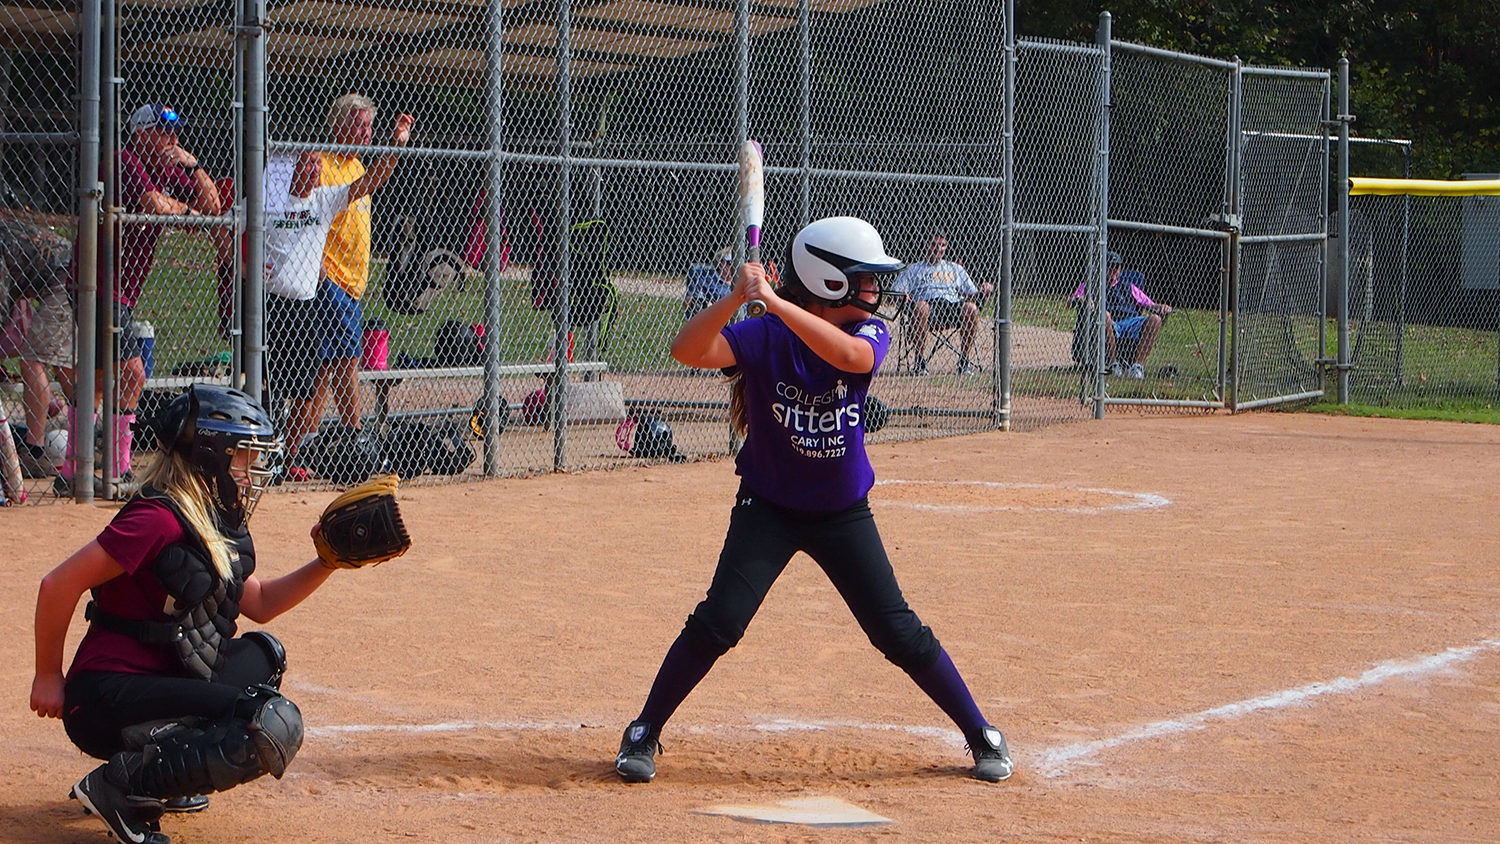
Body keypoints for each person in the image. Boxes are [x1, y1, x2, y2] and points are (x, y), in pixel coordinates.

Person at [613, 216, 1014, 785]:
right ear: (829, 284)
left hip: (841, 512)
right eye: (864, 281)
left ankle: (981, 733)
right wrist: (737, 298)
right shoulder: (763, 336)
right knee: (719, 622)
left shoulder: (867, 334)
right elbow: (687, 350)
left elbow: (852, 360)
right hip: (769, 508)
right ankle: (643, 731)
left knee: (897, 632)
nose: (876, 293)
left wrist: (774, 303)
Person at [29, 385, 344, 844]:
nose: (253, 470)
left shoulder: (209, 517)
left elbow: (260, 604)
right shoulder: (157, 517)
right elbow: (57, 585)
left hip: (158, 680)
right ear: (210, 454)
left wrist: (328, 561)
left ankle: (163, 773)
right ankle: (122, 786)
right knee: (268, 721)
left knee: (262, 659)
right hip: (104, 694)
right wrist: (47, 675)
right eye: (243, 456)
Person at [58, 103, 225, 497]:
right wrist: (184, 211)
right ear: (141, 133)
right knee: (132, 372)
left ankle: (72, 471)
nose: (172, 140)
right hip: (96, 284)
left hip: (122, 291)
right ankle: (115, 469)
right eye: (163, 133)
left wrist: (191, 165)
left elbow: (214, 205)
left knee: (100, 380)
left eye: (175, 133)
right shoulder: (123, 160)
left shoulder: (168, 168)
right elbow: (152, 203)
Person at [265, 113, 415, 480]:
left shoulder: (323, 200)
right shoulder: (273, 201)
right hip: (270, 304)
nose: (315, 169)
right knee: (268, 388)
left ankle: (286, 455)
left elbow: (370, 182)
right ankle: (267, 454)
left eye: (317, 163)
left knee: (306, 386)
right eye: (308, 163)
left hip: (304, 304)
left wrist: (397, 145)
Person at [308, 93, 382, 439]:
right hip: (331, 277)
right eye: (358, 125)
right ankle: (354, 431)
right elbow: (308, 216)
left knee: (326, 367)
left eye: (369, 126)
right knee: (347, 358)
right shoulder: (322, 163)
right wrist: (318, 265)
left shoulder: (358, 167)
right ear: (337, 125)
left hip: (354, 283)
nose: (366, 133)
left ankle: (302, 441)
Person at [891, 233, 993, 375]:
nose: (938, 249)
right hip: (927, 306)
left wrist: (984, 289)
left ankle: (964, 361)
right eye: (933, 244)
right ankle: (920, 362)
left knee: (971, 308)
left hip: (951, 305)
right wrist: (903, 294)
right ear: (926, 246)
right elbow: (896, 292)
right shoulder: (914, 269)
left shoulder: (955, 268)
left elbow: (972, 293)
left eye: (942, 245)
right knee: (921, 307)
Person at [1069, 251, 1172, 379]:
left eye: (1116, 266)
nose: (1113, 269)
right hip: (1108, 322)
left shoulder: (1129, 287)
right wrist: (1083, 298)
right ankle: (1113, 364)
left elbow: (1149, 304)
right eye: (1110, 265)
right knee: (1104, 315)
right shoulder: (1092, 285)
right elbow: (1071, 301)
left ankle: (1137, 367)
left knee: (1155, 319)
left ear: (1120, 270)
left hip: (1129, 322)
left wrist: (1161, 307)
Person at [683, 246, 735, 319]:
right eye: (730, 263)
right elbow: (688, 301)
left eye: (736, 262)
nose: (734, 266)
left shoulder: (742, 282)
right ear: (721, 264)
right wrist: (706, 306)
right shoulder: (707, 280)